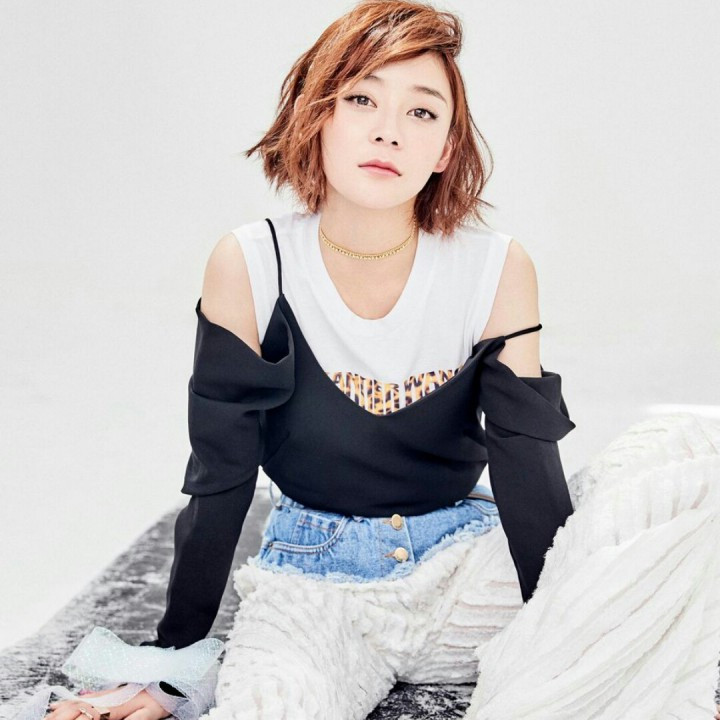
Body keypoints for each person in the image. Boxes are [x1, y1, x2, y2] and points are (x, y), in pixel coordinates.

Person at [30, 1, 720, 719]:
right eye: (362, 99)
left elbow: (526, 464)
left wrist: (560, 621)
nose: (390, 130)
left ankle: (559, 676)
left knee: (688, 459)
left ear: (445, 148)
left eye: (422, 112)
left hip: (466, 572)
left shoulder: (494, 268)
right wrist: (174, 657)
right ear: (317, 115)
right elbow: (220, 476)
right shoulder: (252, 263)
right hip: (313, 590)